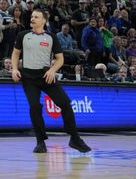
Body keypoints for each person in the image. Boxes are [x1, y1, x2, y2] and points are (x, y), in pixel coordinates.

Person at [11, 8, 91, 154]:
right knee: (34, 107)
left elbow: (60, 59)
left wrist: (52, 70)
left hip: (46, 75)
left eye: (36, 17)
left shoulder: (51, 37)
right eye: (32, 16)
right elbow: (15, 54)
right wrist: (15, 69)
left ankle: (75, 138)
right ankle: (40, 142)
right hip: (28, 77)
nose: (33, 18)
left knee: (65, 103)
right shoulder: (23, 35)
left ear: (44, 21)